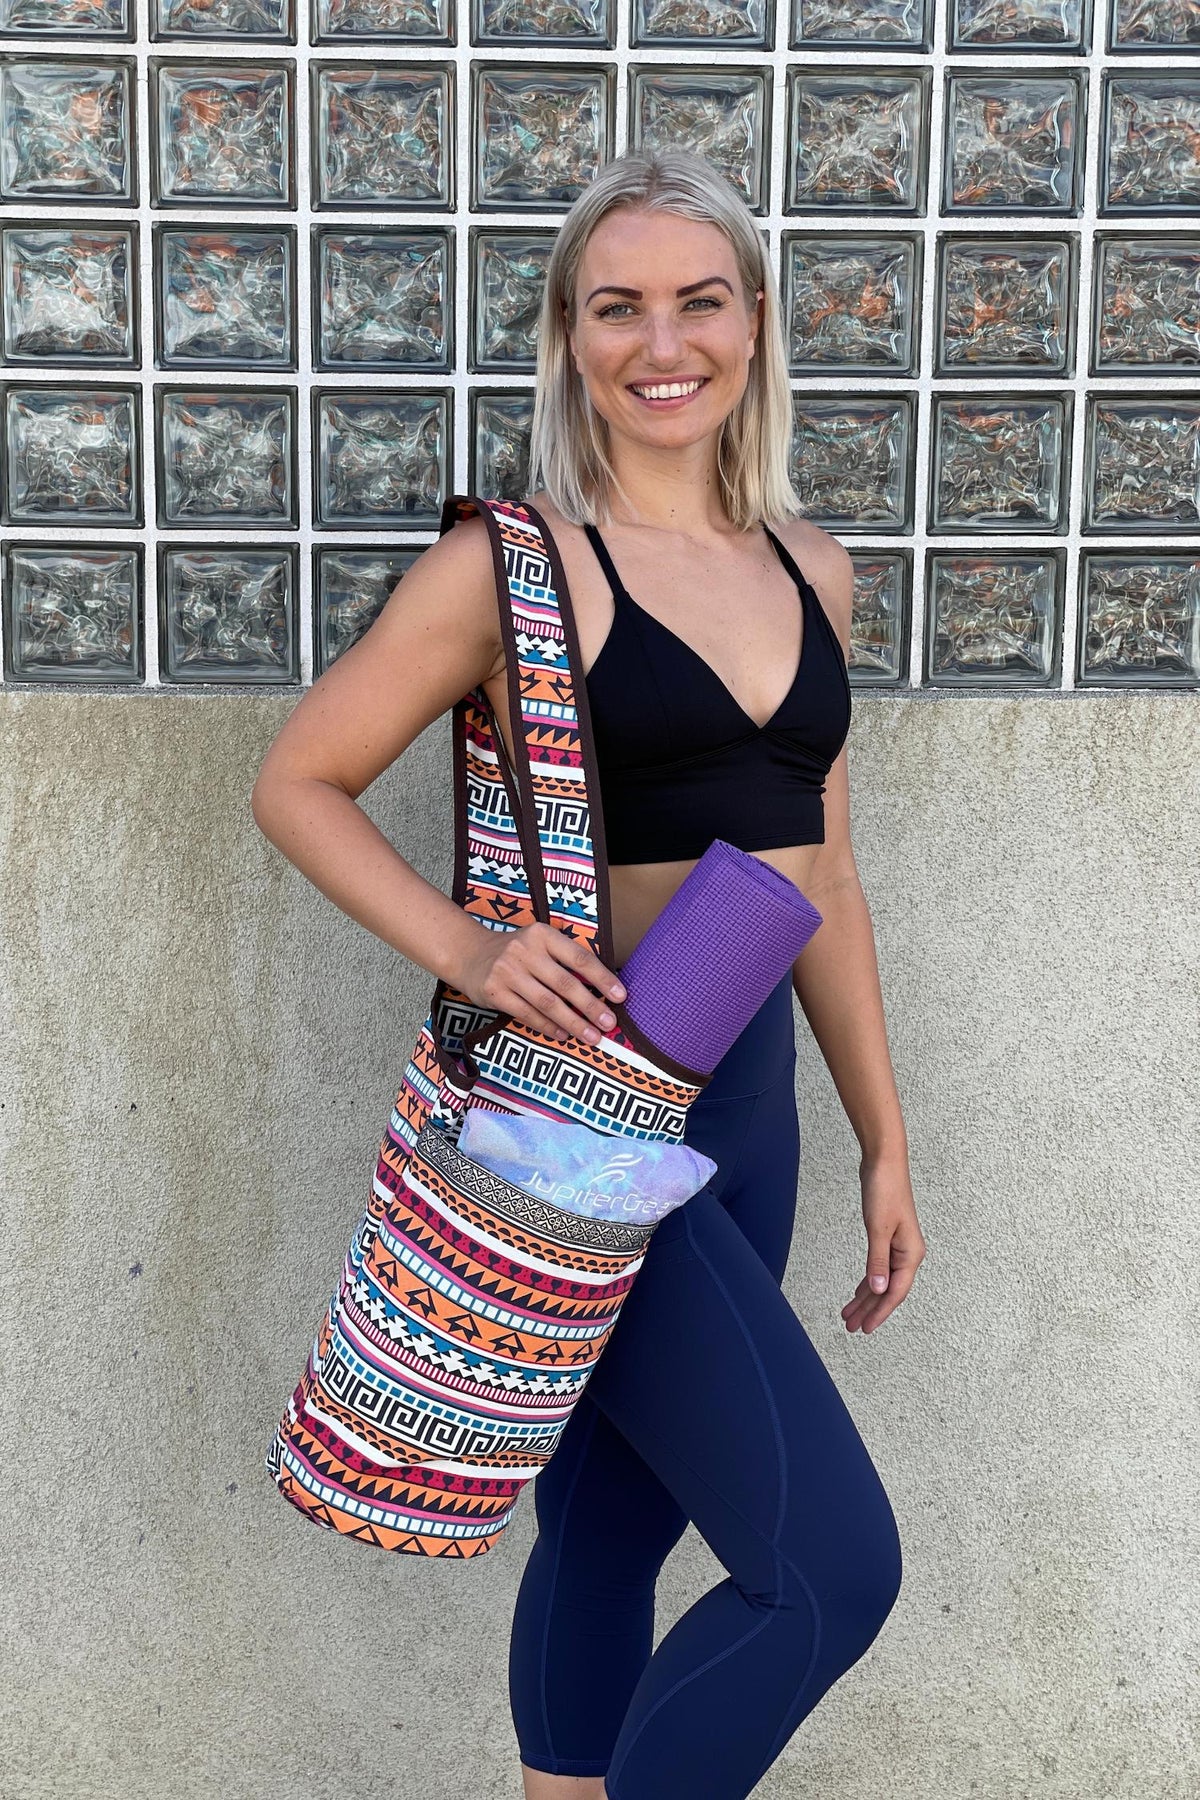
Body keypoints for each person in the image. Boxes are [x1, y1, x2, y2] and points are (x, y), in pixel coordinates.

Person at [252, 144, 926, 1800]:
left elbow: (826, 873)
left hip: (750, 1108)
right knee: (829, 1574)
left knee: (618, 1520)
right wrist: (471, 949)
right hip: (590, 1116)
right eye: (617, 307)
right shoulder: (515, 568)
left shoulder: (810, 565)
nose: (663, 343)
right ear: (568, 334)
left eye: (701, 301)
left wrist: (883, 1139)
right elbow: (299, 781)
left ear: (754, 322)